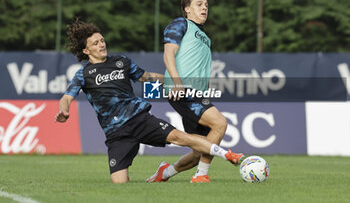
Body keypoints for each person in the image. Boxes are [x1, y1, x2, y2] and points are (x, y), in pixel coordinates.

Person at [54, 19, 244, 184]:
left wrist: (175, 81)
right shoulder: (83, 74)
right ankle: (163, 172)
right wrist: (64, 111)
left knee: (181, 138)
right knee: (119, 184)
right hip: (116, 133)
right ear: (86, 50)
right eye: (95, 43)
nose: (101, 44)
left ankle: (227, 154)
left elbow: (147, 77)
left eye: (102, 40)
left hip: (140, 119)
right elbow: (66, 97)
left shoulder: (122, 61)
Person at [146, 0, 244, 183]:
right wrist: (177, 83)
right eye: (199, 4)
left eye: (206, 5)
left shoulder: (206, 38)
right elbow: (168, 55)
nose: (204, 8)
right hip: (182, 89)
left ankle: (164, 173)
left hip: (197, 92)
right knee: (220, 123)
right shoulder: (180, 24)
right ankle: (201, 175)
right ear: (187, 9)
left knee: (201, 150)